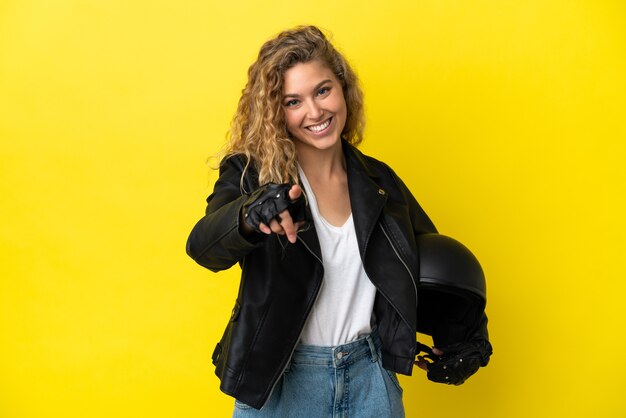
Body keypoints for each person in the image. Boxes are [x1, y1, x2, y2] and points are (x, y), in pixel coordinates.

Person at [186, 25, 491, 417]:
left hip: (370, 381)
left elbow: (430, 264)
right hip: (281, 383)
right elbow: (203, 246)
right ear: (274, 112)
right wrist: (249, 215)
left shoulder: (378, 182)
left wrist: (468, 339)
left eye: (323, 90)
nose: (314, 112)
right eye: (293, 101)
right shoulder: (252, 176)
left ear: (343, 89)